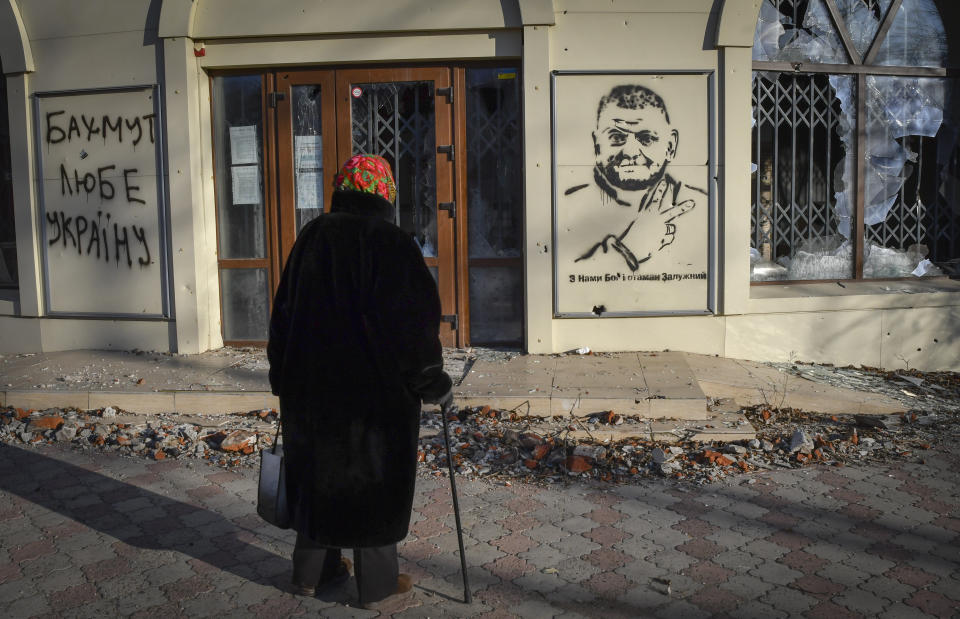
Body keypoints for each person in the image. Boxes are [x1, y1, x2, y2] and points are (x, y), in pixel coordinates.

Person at [267, 154, 452, 610]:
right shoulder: (392, 243)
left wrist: (280, 374)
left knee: (317, 481)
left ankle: (312, 574)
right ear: (384, 193)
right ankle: (376, 587)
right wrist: (431, 380)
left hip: (311, 395)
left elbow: (282, 316)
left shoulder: (311, 237)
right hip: (376, 401)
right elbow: (414, 326)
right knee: (374, 485)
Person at [567, 84, 706, 272]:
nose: (630, 152)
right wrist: (631, 249)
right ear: (596, 143)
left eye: (646, 138)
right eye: (616, 137)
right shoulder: (566, 206)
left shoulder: (703, 206)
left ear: (671, 146)